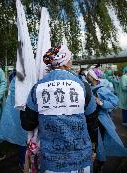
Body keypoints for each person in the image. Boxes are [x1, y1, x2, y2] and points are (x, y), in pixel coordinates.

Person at [20, 44, 94, 173]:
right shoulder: (83, 86)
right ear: (65, 63)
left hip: (50, 161)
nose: (71, 62)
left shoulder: (37, 87)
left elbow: (27, 124)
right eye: (70, 59)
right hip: (81, 158)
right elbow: (92, 120)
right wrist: (94, 147)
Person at [87, 69, 127, 173]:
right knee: (94, 141)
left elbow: (115, 101)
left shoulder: (102, 89)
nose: (86, 76)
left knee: (98, 141)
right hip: (90, 119)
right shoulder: (88, 87)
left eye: (88, 74)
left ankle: (100, 162)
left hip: (99, 119)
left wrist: (101, 103)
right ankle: (97, 160)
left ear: (93, 77)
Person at [0, 71, 27, 170]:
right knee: (24, 137)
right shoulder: (18, 77)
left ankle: (24, 162)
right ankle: (23, 162)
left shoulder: (17, 77)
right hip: (24, 115)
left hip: (25, 115)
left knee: (25, 137)